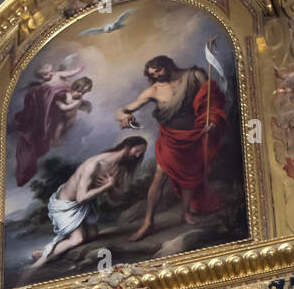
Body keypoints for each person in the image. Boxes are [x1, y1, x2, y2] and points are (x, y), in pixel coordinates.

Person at [115, 53, 227, 239]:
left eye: (158, 70)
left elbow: (212, 99)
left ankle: (185, 213)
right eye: (153, 73)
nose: (157, 75)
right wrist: (124, 117)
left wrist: (212, 118)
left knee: (190, 175)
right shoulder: (153, 91)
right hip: (170, 138)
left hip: (195, 134)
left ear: (167, 65)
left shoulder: (194, 76)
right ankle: (147, 223)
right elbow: (120, 112)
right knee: (159, 176)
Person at [27, 138, 147, 273]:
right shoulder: (96, 164)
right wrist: (106, 187)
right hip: (67, 204)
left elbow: (117, 198)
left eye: (140, 154)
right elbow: (80, 198)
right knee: (78, 240)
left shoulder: (119, 167)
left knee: (92, 235)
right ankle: (36, 265)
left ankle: (43, 251)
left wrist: (111, 186)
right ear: (127, 146)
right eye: (137, 151)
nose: (137, 156)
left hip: (86, 203)